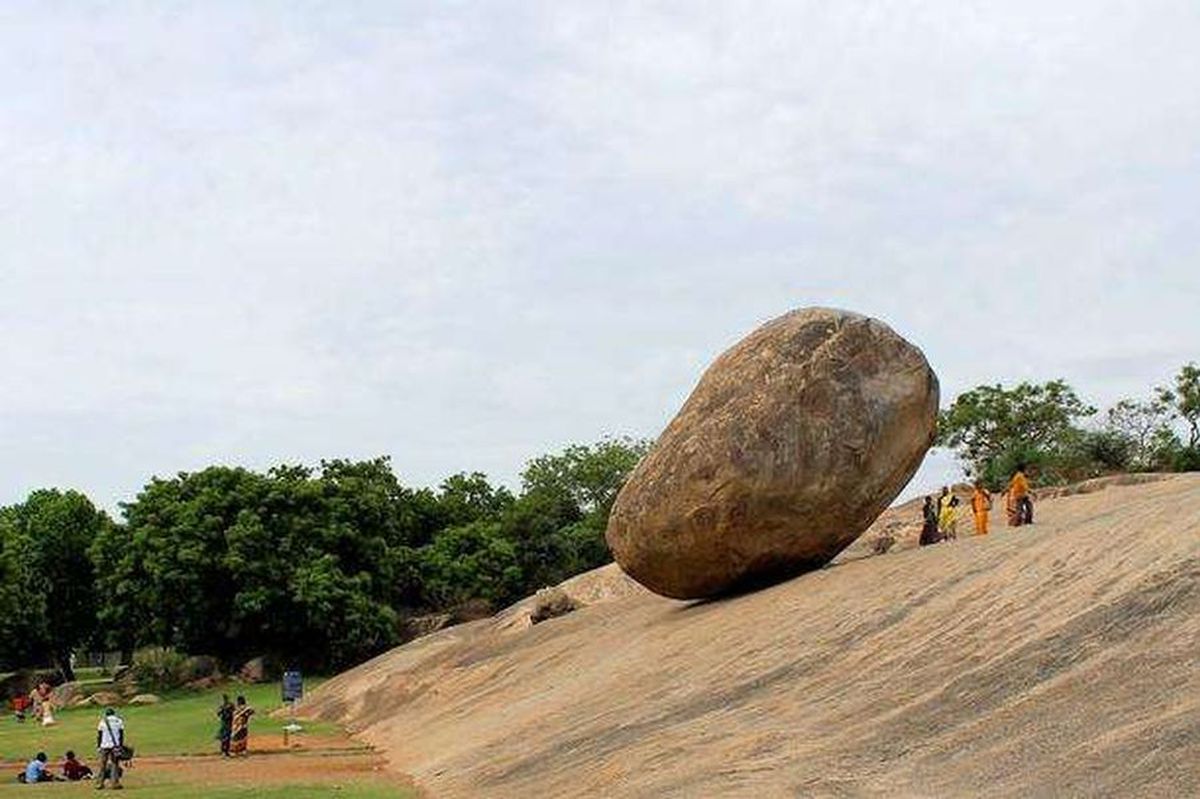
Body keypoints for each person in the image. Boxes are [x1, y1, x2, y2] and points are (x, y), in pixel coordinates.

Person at [96, 707, 126, 789]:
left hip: (104, 745)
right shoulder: (119, 721)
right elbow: (121, 735)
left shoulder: (102, 722)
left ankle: (99, 783)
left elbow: (99, 735)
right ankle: (114, 783)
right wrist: (120, 746)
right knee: (114, 764)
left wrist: (98, 746)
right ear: (114, 713)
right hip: (114, 746)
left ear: (106, 714)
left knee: (102, 765)